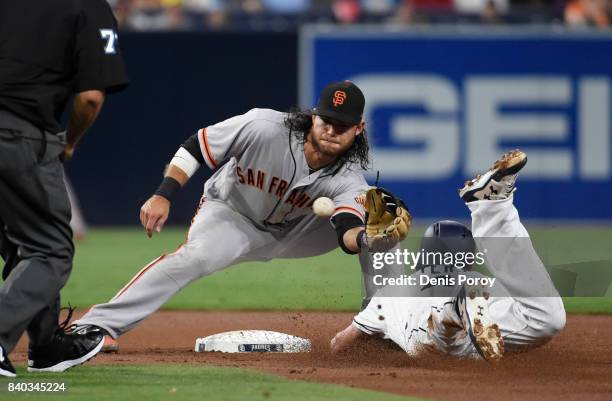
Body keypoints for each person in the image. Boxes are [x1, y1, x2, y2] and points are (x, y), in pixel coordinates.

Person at [62, 80, 410, 364]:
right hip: (233, 214)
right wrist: (163, 194)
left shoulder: (348, 176)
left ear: (359, 129)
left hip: (297, 230)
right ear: (313, 116)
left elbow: (345, 229)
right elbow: (196, 146)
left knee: (381, 208)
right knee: (195, 257)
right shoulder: (263, 126)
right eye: (327, 120)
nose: (333, 130)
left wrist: (366, 240)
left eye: (343, 125)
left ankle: (378, 326)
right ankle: (97, 325)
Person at [331, 150, 566, 361]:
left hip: (426, 338)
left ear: (425, 256)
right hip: (466, 328)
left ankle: (452, 310)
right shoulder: (479, 281)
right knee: (546, 318)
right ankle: (493, 209)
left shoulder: (390, 293)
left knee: (436, 336)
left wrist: (379, 342)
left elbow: (340, 345)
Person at [0, 0, 129, 376]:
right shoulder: (89, 6)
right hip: (17, 131)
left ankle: (47, 347)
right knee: (51, 250)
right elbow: (90, 96)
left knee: (25, 242)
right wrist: (69, 141)